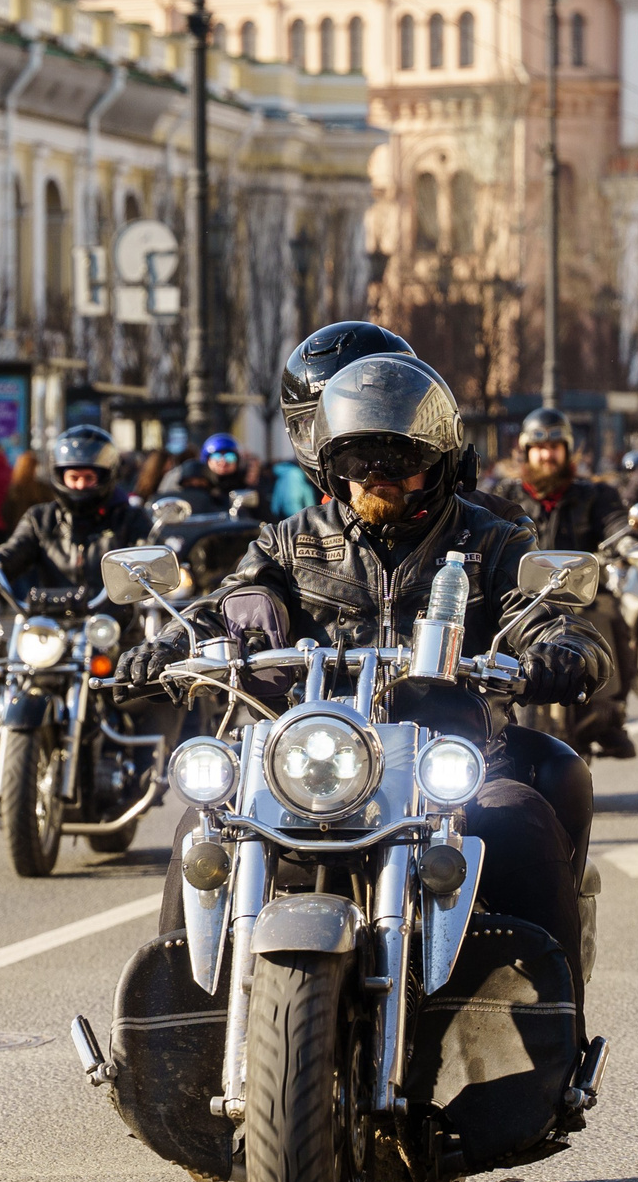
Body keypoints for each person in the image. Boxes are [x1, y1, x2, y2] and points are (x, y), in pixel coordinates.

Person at [118, 348, 611, 1012]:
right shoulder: (290, 541)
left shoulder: (491, 541)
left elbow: (547, 617)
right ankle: (182, 1029)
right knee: (202, 829)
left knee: (523, 822)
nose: (376, 476)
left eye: (399, 459)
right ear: (330, 464)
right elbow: (225, 603)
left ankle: (555, 1032)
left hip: (449, 761)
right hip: (317, 762)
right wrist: (169, 644)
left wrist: (562, 650)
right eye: (357, 460)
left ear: (439, 461)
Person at [0, 425, 146, 735]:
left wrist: (147, 568)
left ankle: (138, 749)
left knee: (146, 676)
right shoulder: (40, 519)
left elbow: (144, 553)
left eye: (88, 477)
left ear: (106, 475)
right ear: (59, 476)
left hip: (110, 629)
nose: (79, 485)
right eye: (73, 477)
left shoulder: (130, 519)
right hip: (46, 629)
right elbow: (11, 554)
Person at [488, 407, 637, 759]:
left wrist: (626, 541)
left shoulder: (594, 494)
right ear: (525, 451)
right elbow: (478, 526)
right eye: (539, 448)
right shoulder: (503, 495)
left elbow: (616, 523)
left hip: (582, 595)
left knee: (609, 613)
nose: (547, 455)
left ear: (568, 451)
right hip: (519, 597)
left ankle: (610, 712)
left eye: (555, 447)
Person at [274, 320, 524, 523]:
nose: (328, 441)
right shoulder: (297, 537)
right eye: (310, 426)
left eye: (355, 420)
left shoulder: (491, 526)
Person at [0, 451, 53, 529]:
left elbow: (7, 512)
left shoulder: (15, 488)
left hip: (17, 527)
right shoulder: (43, 489)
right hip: (39, 528)